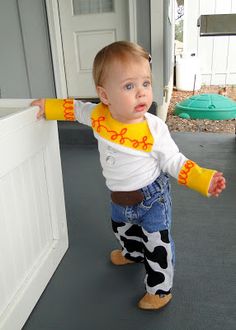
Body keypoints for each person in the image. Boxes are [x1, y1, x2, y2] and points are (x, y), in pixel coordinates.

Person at [31, 41, 226, 310]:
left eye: (145, 83)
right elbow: (74, 109)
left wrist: (204, 179)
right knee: (123, 229)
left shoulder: (153, 128)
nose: (141, 93)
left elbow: (174, 161)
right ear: (105, 95)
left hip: (152, 198)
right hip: (120, 197)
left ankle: (160, 289)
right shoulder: (99, 115)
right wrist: (47, 106)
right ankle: (133, 254)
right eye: (129, 86)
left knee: (157, 245)